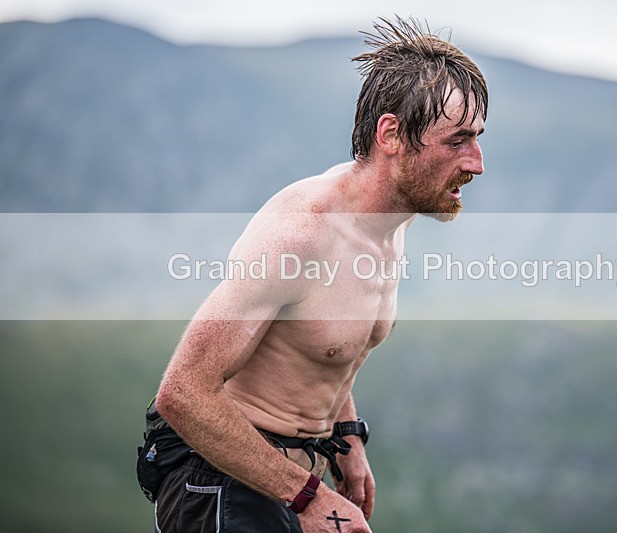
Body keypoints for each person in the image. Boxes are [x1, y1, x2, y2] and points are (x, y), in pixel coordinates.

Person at [149, 16, 487, 533]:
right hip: (221, 482)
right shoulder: (303, 233)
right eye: (457, 142)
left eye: (478, 139)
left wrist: (346, 438)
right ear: (392, 134)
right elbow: (182, 393)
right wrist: (307, 498)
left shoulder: (390, 222)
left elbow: (321, 341)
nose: (477, 163)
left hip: (289, 474)